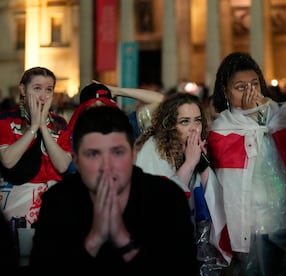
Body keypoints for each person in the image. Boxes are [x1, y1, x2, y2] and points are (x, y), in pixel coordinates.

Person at [29, 105, 198, 274]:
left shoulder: (166, 199)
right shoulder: (58, 202)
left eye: (117, 152)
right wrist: (94, 240)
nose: (107, 166)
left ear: (133, 155)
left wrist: (123, 240)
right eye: (93, 154)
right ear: (76, 161)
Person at [207, 52, 286, 276]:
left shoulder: (281, 116)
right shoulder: (222, 128)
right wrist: (254, 119)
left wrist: (263, 114)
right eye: (240, 87)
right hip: (250, 225)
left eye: (254, 84)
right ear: (225, 92)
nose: (251, 92)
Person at [134, 92, 229, 275]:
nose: (194, 128)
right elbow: (162, 205)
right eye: (185, 122)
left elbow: (212, 199)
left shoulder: (198, 148)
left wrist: (202, 163)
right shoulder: (152, 150)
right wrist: (190, 163)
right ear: (170, 126)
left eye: (197, 120)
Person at [0, 66, 72, 226]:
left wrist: (44, 127)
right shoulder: (6, 119)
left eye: (49, 90)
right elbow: (8, 161)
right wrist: (33, 127)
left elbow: (62, 166)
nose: (43, 96)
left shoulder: (60, 123)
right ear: (23, 90)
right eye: (37, 88)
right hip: (17, 199)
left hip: (54, 199)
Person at [63, 81, 164, 173]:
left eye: (103, 105)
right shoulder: (72, 138)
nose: (99, 111)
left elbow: (162, 101)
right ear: (83, 112)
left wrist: (117, 91)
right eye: (93, 107)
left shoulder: (126, 126)